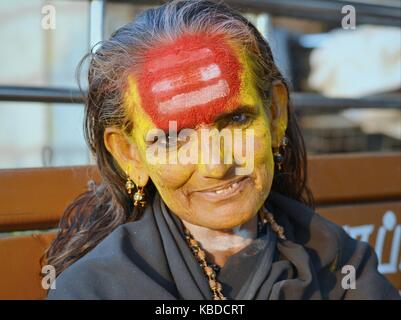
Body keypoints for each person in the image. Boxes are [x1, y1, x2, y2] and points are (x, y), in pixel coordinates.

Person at [45, 0, 399, 300]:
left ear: (275, 114)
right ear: (129, 155)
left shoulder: (339, 262)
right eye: (172, 138)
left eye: (237, 120)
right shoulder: (96, 290)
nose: (216, 165)